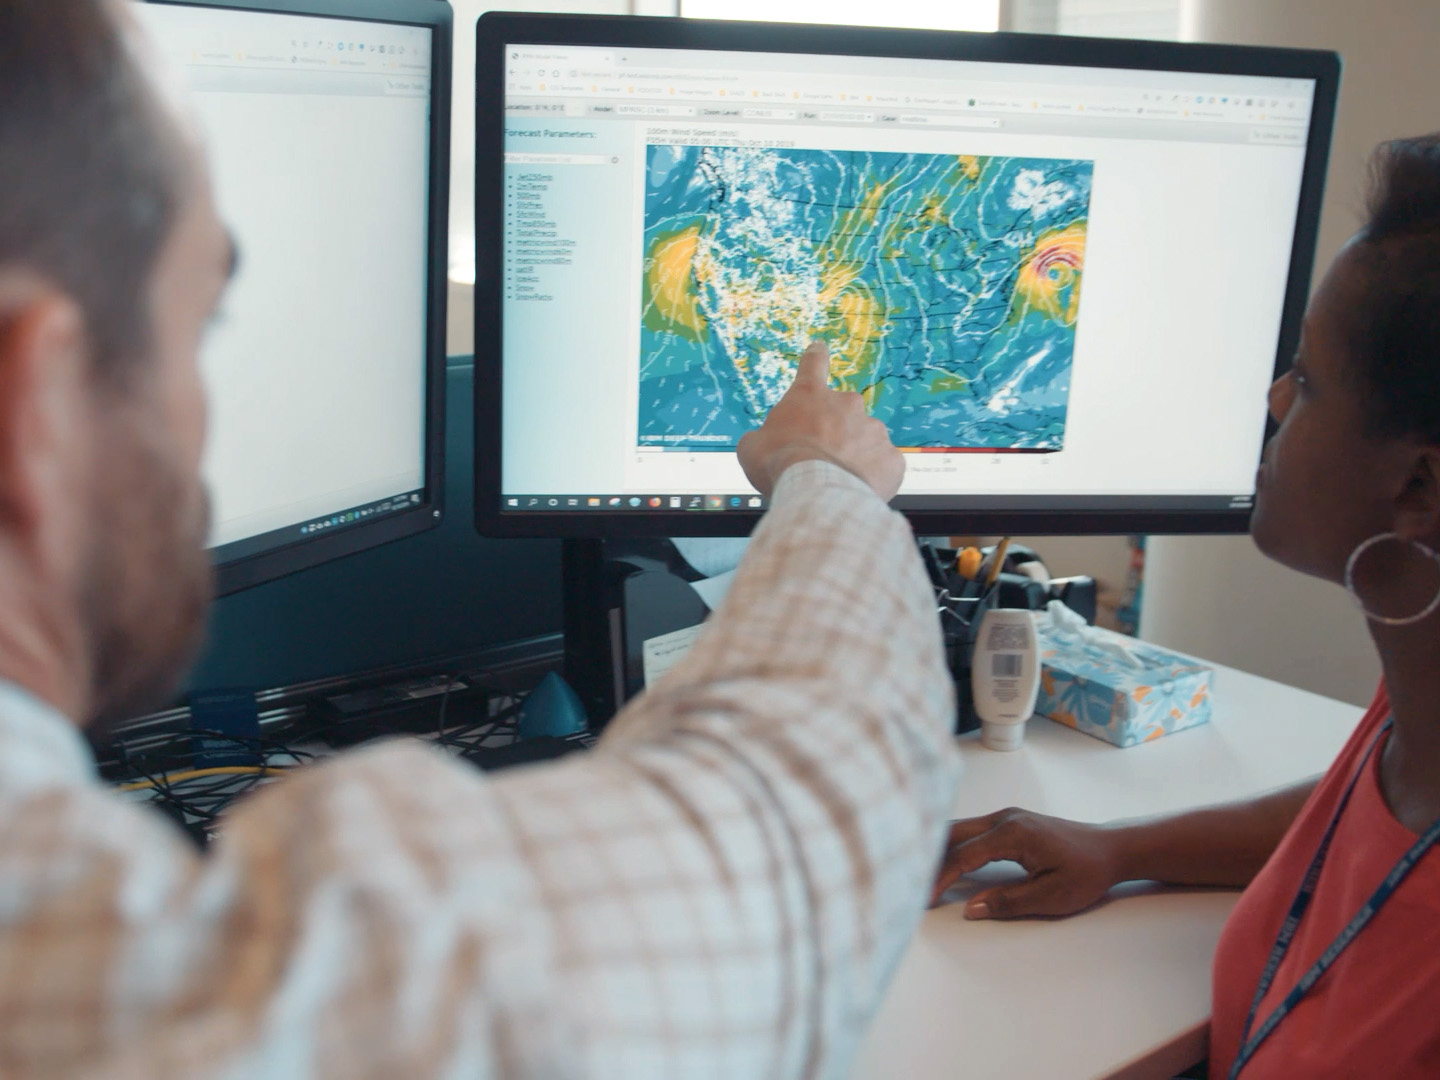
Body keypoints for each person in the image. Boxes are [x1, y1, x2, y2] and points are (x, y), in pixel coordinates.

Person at [0, 3, 961, 1076]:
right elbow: (792, 844)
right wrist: (827, 480)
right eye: (200, 329)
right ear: (34, 402)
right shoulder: (151, 985)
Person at [931, 133, 1440, 1077]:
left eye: (1310, 379)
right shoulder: (1418, 710)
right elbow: (1359, 811)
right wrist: (1117, 849)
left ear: (1419, 487)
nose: (1276, 398)